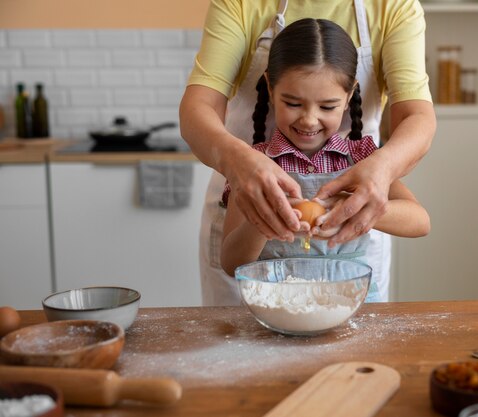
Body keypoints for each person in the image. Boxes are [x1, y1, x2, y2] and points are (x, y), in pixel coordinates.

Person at [180, 0, 436, 306]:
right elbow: (234, 260)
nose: (309, 119)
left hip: (347, 293)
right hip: (267, 300)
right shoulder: (260, 159)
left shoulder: (358, 157)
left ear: (348, 97)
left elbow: (420, 218)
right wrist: (260, 207)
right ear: (271, 92)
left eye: (328, 106)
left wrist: (377, 178)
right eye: (293, 103)